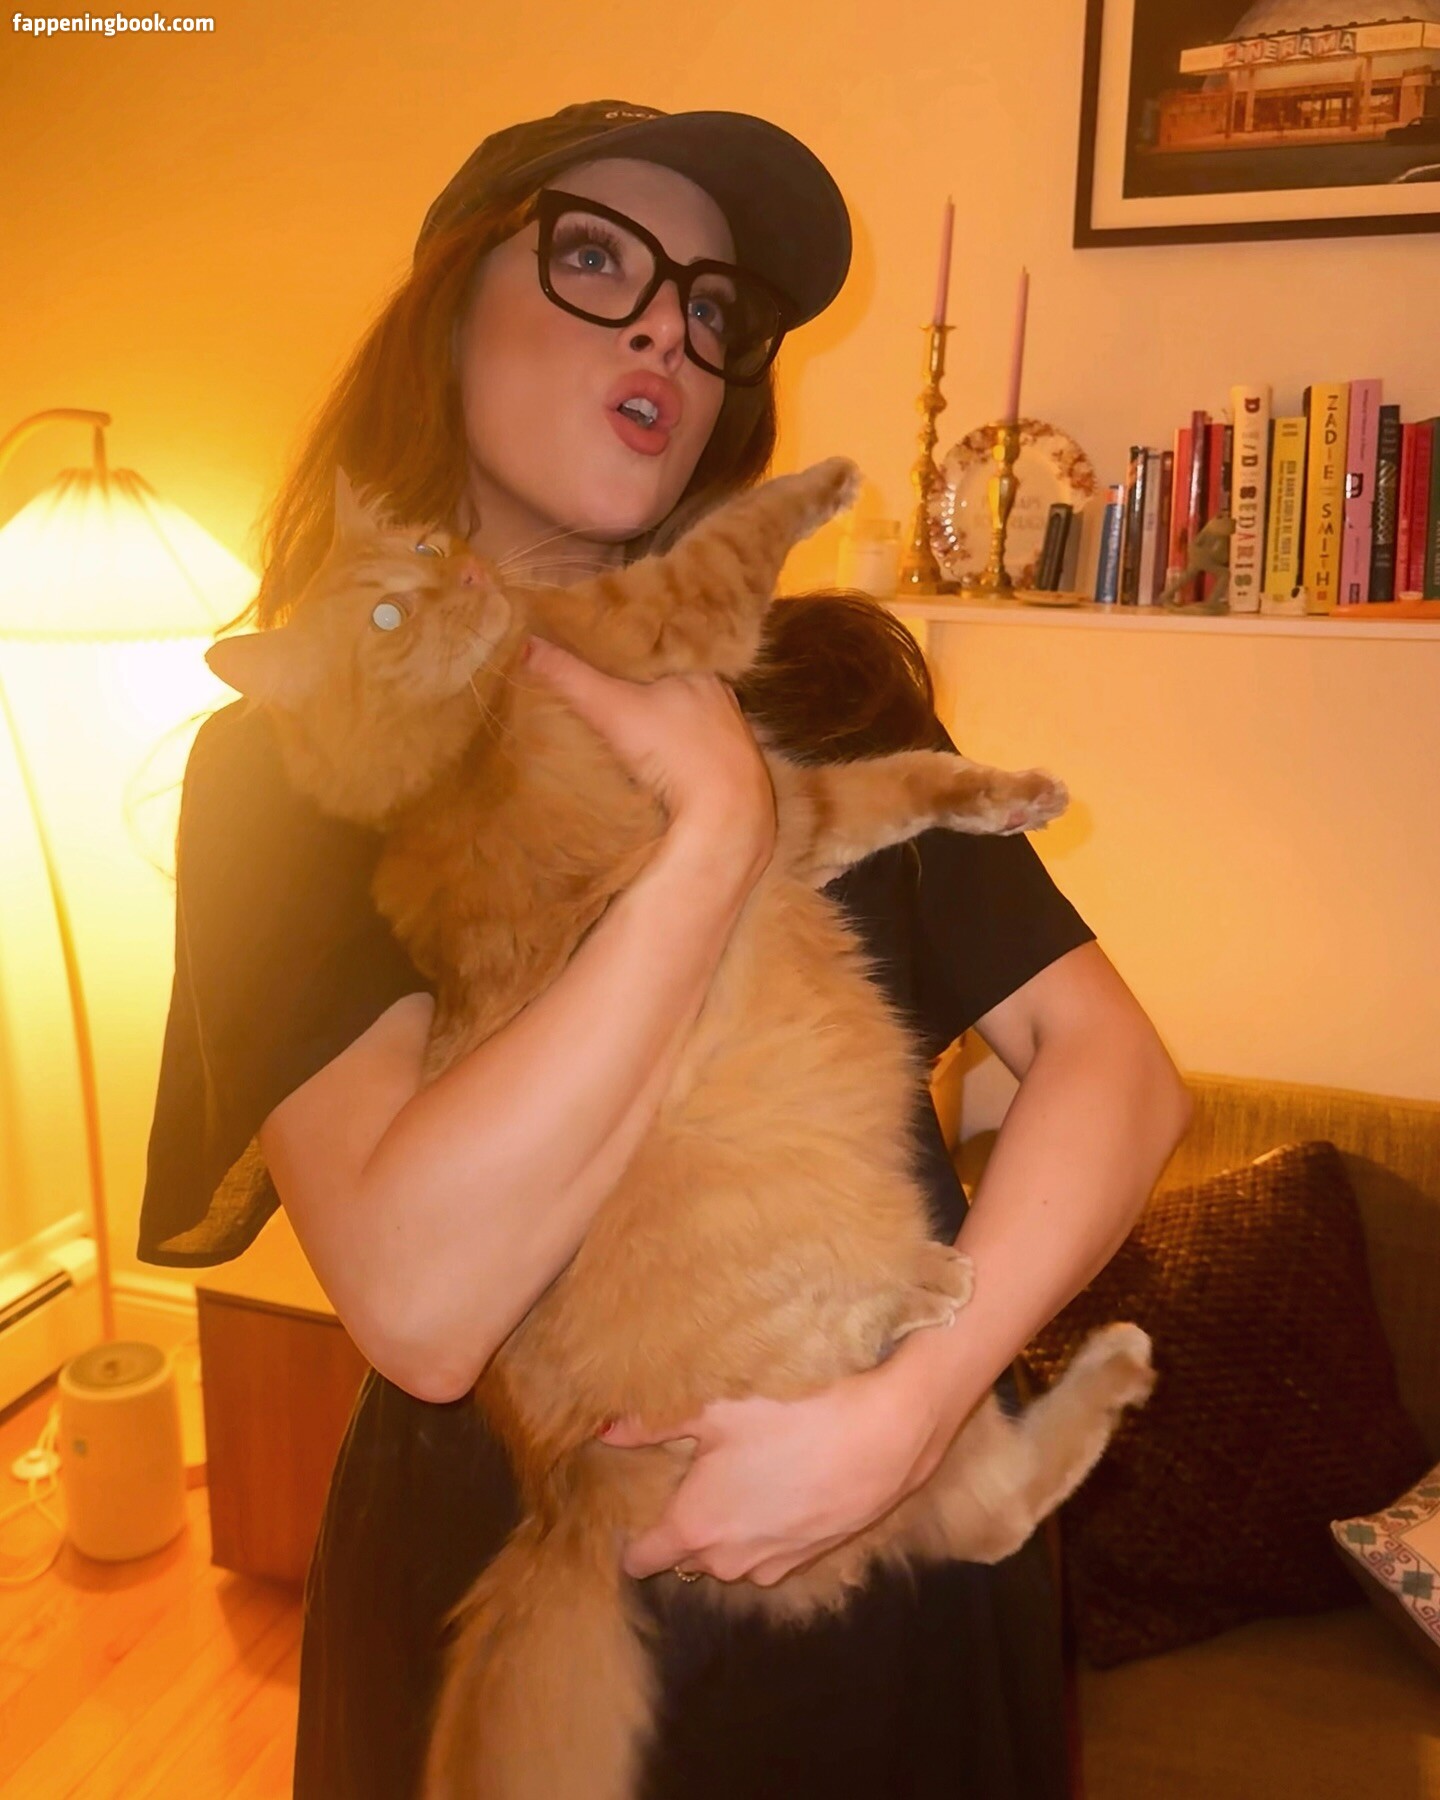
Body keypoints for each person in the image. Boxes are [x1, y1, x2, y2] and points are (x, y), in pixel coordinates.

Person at [138, 101, 1192, 1799]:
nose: (667, 334)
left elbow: (1116, 1072)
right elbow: (421, 1303)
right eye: (593, 259)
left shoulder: (833, 682)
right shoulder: (291, 770)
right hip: (516, 1601)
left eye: (711, 309)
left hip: (896, 1611)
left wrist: (908, 1417)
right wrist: (710, 846)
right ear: (444, 313)